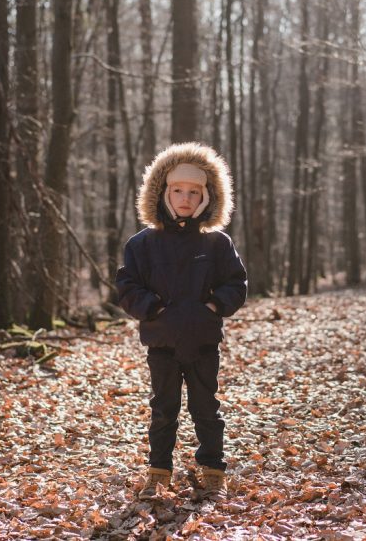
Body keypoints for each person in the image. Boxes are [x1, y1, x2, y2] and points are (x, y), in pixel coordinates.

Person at [116, 142, 247, 501]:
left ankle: (213, 469)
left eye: (194, 192)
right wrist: (152, 309)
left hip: (203, 339)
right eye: (178, 191)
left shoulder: (217, 243)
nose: (185, 198)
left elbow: (236, 283)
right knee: (163, 409)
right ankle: (158, 471)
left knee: (206, 408)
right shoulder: (142, 244)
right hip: (161, 341)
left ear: (207, 196)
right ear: (162, 192)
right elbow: (127, 285)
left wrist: (214, 306)